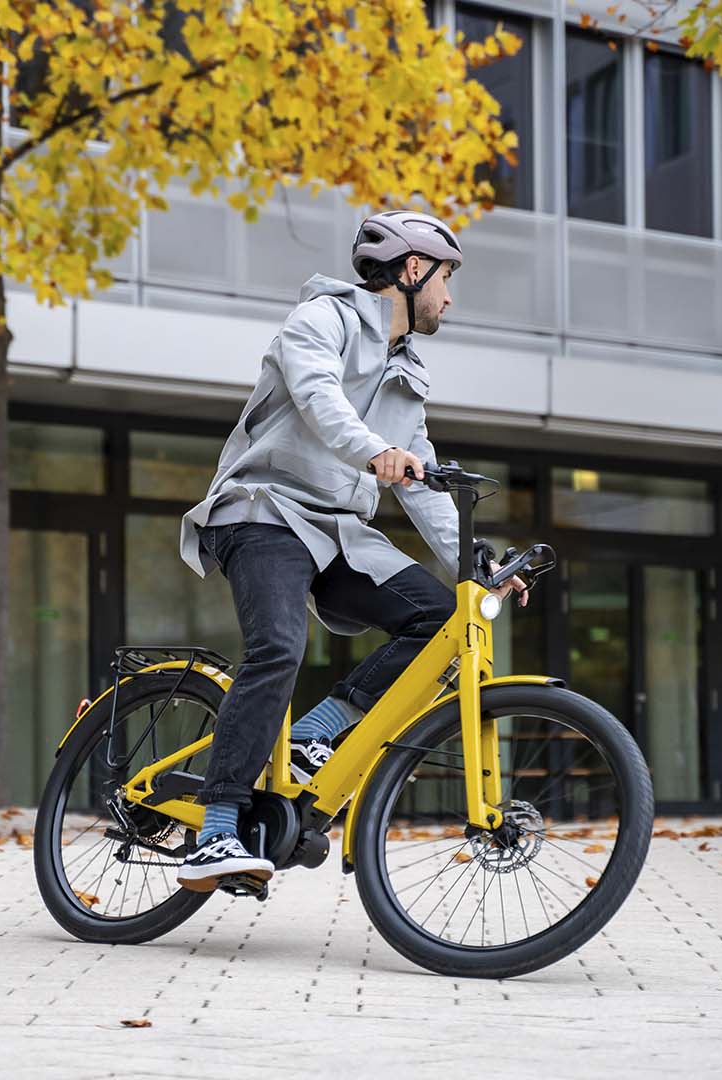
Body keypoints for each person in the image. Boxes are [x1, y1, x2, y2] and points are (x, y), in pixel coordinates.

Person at [173, 209, 530, 892]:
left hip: (338, 529)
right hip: (264, 508)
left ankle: (318, 730)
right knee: (279, 645)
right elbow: (317, 397)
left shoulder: (407, 373)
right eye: (447, 278)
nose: (449, 298)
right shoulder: (321, 320)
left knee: (438, 622)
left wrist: (476, 557)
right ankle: (216, 832)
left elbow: (422, 476)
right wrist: (374, 452)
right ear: (412, 269)